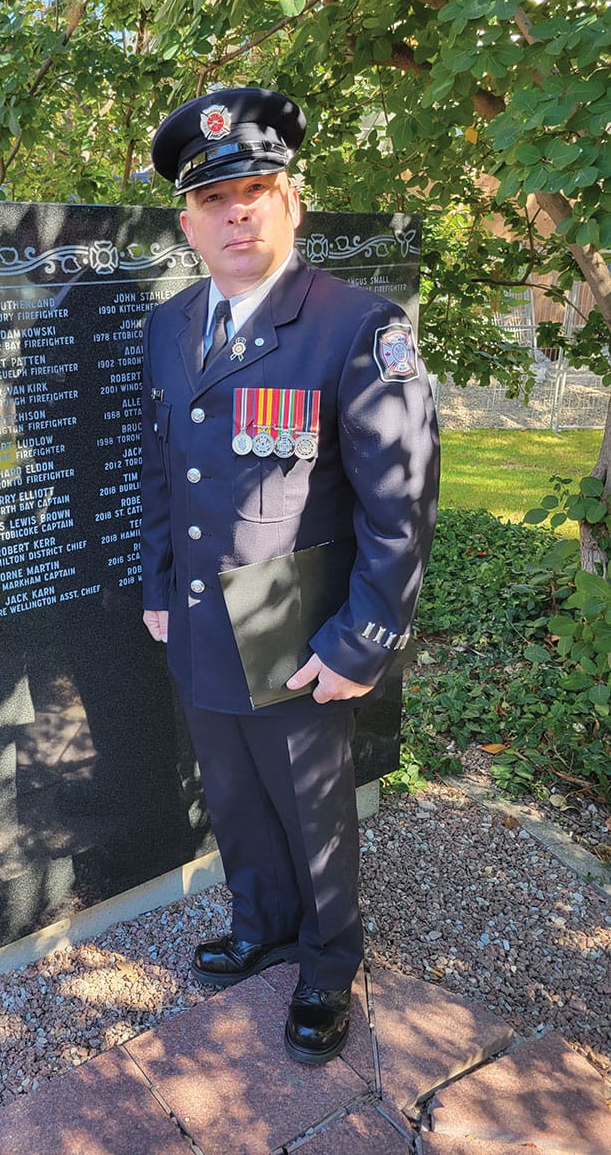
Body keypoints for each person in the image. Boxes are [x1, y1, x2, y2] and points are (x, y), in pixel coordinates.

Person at [140, 86, 439, 1065]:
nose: (236, 214)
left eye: (255, 192)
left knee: (314, 813)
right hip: (198, 616)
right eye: (214, 201)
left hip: (294, 625)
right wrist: (156, 584)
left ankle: (326, 963)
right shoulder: (173, 323)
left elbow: (400, 502)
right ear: (189, 221)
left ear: (291, 203)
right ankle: (262, 922)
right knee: (232, 797)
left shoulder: (355, 326)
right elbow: (162, 465)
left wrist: (363, 639)